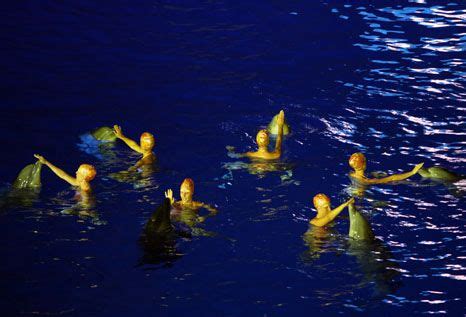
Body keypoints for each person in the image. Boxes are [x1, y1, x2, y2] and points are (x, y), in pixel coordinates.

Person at [349, 152, 424, 185]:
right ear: (364, 165)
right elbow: (392, 178)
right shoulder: (367, 181)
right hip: (360, 197)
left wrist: (372, 174)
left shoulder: (351, 174)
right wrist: (412, 172)